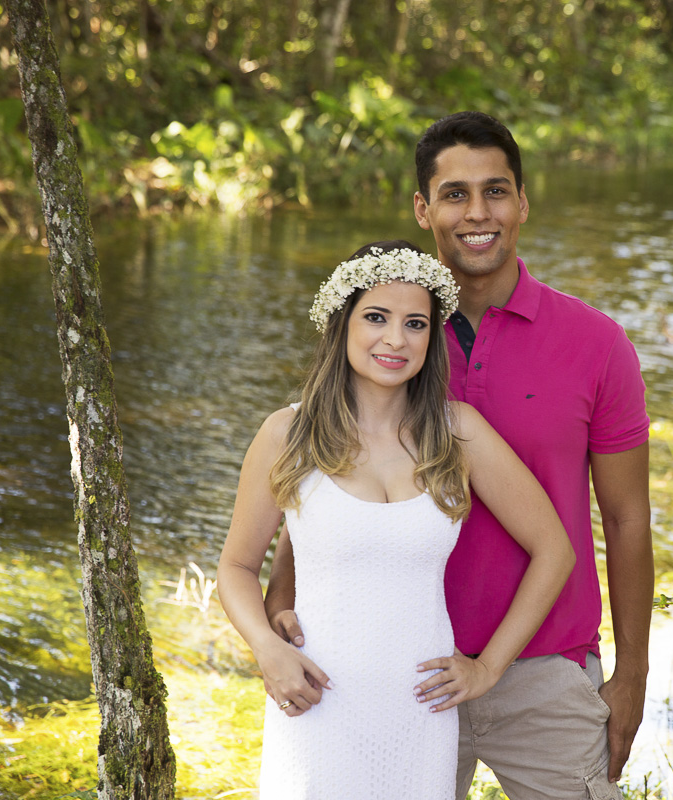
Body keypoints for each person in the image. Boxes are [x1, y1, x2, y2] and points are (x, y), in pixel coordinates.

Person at [266, 112, 654, 799]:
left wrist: (630, 675)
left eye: (496, 191)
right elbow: (327, 468)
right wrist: (284, 596)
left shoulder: (597, 345)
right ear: (424, 208)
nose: (479, 213)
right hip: (394, 672)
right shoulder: (388, 336)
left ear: (523, 203)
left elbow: (627, 521)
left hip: (545, 672)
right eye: (454, 194)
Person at [217, 239, 575, 799]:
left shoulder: (458, 431)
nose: (395, 339)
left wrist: (487, 669)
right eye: (376, 318)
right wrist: (267, 647)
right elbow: (237, 565)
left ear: (432, 338)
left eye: (415, 323)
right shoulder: (287, 435)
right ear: (343, 324)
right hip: (317, 700)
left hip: (420, 713)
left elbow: (555, 550)